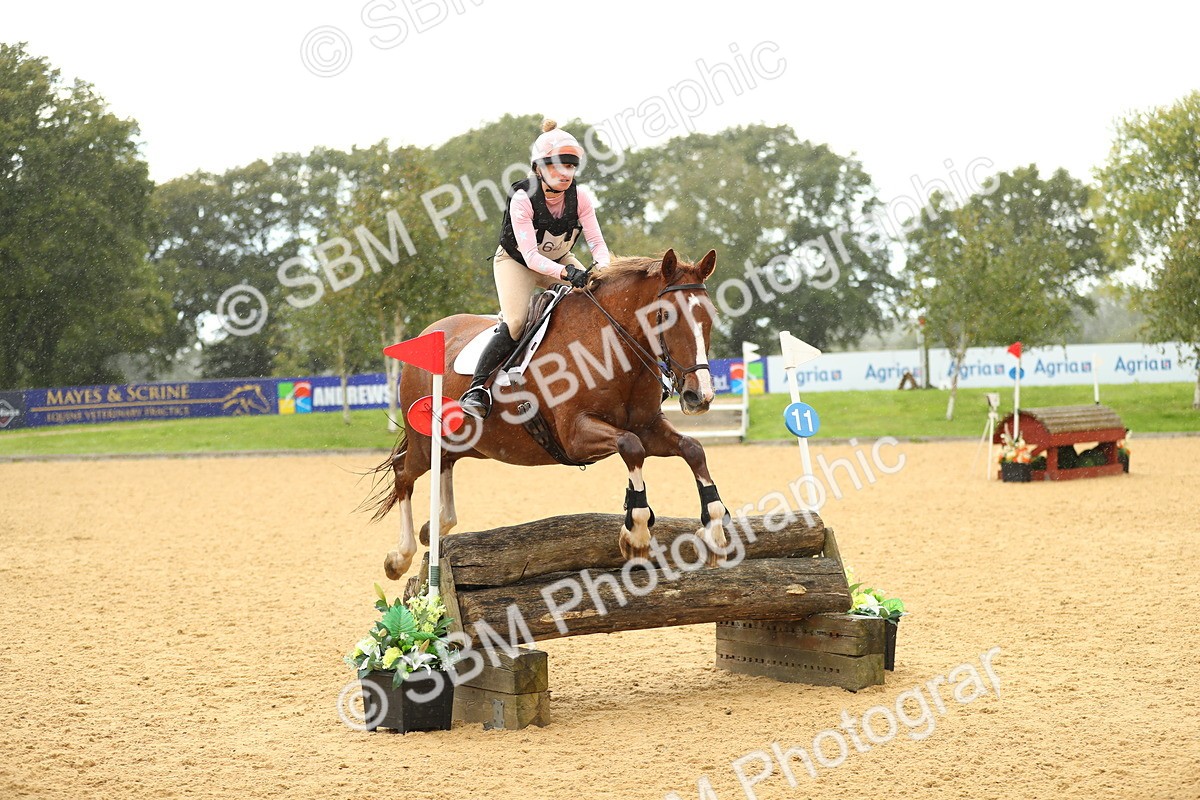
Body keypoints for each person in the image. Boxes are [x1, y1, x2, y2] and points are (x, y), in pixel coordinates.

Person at [458, 119, 612, 419]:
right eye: (557, 165)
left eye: (571, 166)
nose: (566, 173)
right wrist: (567, 274)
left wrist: (603, 271)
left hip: (560, 260)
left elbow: (597, 243)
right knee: (516, 322)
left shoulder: (580, 199)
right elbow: (530, 257)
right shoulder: (522, 199)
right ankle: (477, 388)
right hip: (517, 263)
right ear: (539, 168)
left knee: (600, 299)